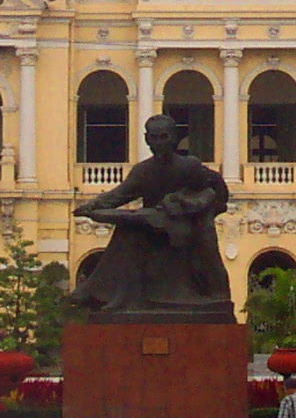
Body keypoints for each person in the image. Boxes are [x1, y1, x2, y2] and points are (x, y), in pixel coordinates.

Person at [69, 114, 232, 319]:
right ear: (147, 139)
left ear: (174, 138)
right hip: (153, 225)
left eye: (164, 137)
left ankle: (216, 294)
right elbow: (118, 195)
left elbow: (217, 190)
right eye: (154, 137)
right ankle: (115, 296)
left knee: (207, 247)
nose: (158, 143)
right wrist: (91, 207)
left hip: (189, 227)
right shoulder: (143, 171)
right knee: (127, 230)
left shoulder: (189, 166)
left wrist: (193, 206)